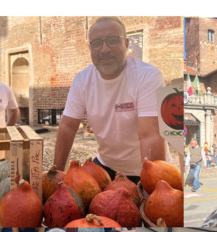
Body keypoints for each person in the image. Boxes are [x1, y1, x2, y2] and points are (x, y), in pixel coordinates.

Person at [54, 16, 166, 182]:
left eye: (113, 40)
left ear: (126, 44)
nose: (105, 49)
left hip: (142, 170)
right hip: (105, 166)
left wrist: (155, 186)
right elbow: (67, 127)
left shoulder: (148, 76)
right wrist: (55, 175)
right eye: (97, 43)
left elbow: (150, 135)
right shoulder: (82, 80)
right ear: (90, 48)